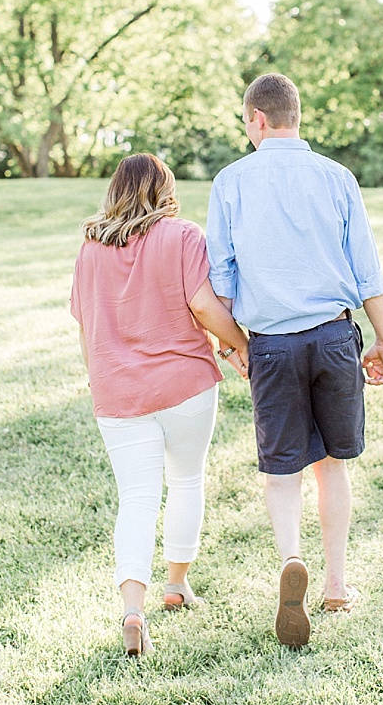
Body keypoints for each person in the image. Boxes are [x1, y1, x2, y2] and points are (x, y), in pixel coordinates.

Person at [205, 72, 383, 649]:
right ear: (295, 115)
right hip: (335, 336)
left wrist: (235, 342)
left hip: (272, 341)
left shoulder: (231, 181)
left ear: (257, 119)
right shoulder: (337, 177)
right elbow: (366, 268)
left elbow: (222, 275)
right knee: (333, 463)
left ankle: (293, 560)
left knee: (282, 468)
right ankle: (336, 582)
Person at [70, 153, 251, 656]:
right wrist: (240, 345)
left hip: (117, 393)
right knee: (187, 479)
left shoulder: (90, 249)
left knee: (137, 498)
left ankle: (133, 609)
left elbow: (86, 328)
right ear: (164, 188)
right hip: (185, 384)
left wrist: (98, 382)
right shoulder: (182, 235)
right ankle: (177, 584)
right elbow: (203, 305)